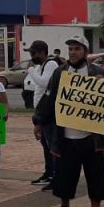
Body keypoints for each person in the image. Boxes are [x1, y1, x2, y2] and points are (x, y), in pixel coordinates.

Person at [32, 36, 104, 207]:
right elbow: (49, 98)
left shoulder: (98, 73)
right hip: (66, 137)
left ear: (85, 51)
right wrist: (39, 122)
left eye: (77, 48)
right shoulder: (60, 73)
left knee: (96, 176)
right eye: (70, 49)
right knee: (64, 176)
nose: (73, 52)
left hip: (92, 138)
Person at [26, 40, 60, 189]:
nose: (32, 57)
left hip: (49, 113)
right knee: (46, 145)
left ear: (42, 52)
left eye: (33, 53)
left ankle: (56, 176)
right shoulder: (41, 66)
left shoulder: (50, 64)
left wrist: (30, 70)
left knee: (52, 145)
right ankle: (49, 173)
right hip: (42, 112)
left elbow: (44, 83)